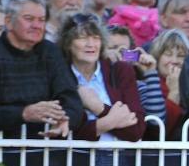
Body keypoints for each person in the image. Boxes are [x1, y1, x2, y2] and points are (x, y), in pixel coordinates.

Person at [0, 0, 83, 138]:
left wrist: (66, 120)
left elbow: (71, 100)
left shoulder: (50, 52)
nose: (37, 25)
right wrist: (24, 113)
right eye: (29, 19)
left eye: (41, 20)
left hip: (47, 148)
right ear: (8, 22)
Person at [61, 14, 145, 142]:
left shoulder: (120, 71)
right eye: (82, 38)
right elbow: (67, 132)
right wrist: (110, 121)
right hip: (75, 158)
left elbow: (136, 131)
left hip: (117, 158)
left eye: (96, 38)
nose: (91, 44)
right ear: (68, 44)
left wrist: (98, 108)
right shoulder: (61, 74)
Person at [143, 28, 189, 138]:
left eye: (180, 56)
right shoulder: (150, 85)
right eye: (168, 54)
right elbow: (157, 132)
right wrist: (174, 93)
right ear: (157, 57)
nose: (174, 60)